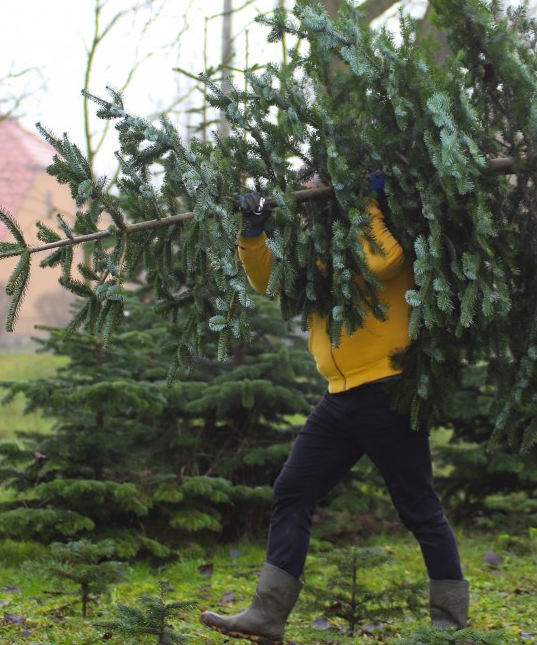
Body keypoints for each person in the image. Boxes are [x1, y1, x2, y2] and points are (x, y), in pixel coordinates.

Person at [200, 177, 468, 644]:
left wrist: (363, 200)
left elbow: (387, 264)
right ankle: (267, 615)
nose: (306, 202)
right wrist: (253, 233)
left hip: (389, 388)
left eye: (316, 191)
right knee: (292, 490)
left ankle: (449, 627)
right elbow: (271, 281)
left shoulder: (381, 230)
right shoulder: (317, 252)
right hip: (340, 395)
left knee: (419, 509)